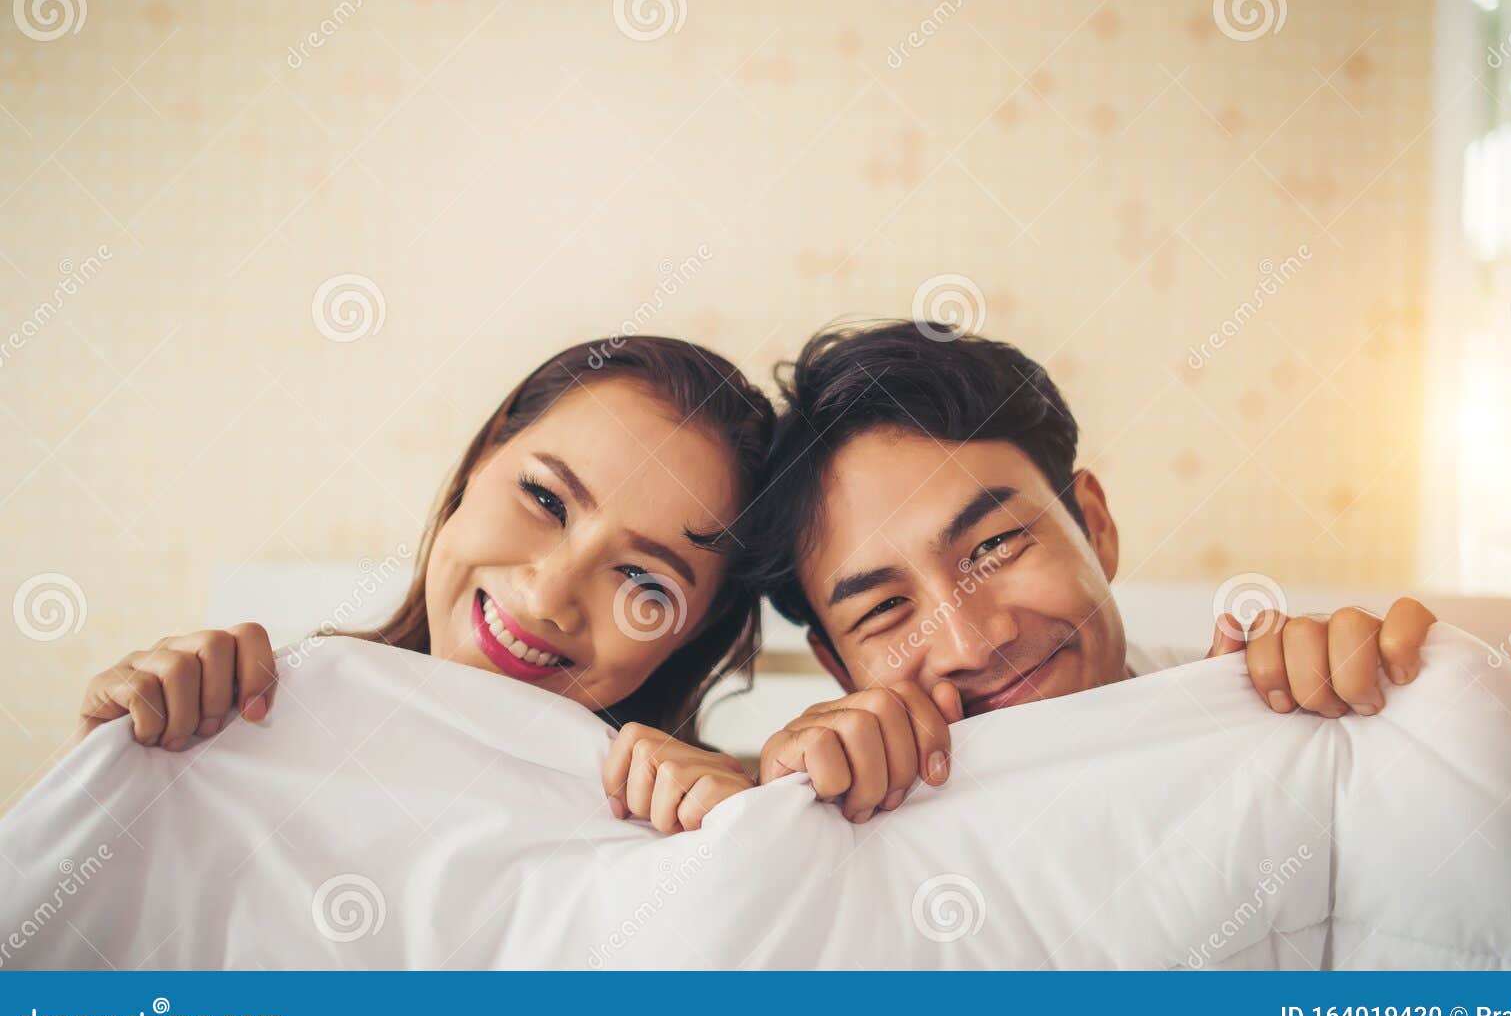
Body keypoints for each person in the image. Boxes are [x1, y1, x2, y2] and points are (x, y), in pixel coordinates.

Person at [73, 337, 773, 835]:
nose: (546, 597)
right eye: (546, 500)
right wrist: (108, 785)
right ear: (478, 462)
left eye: (641, 579)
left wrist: (733, 863)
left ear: (695, 632)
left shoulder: (691, 836)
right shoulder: (237, 718)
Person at [747, 320, 1437, 824]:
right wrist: (773, 803)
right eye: (881, 611)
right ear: (838, 669)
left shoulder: (1280, 720)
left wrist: (1406, 697)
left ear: (1095, 527)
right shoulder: (824, 830)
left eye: (994, 548)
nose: (972, 643)